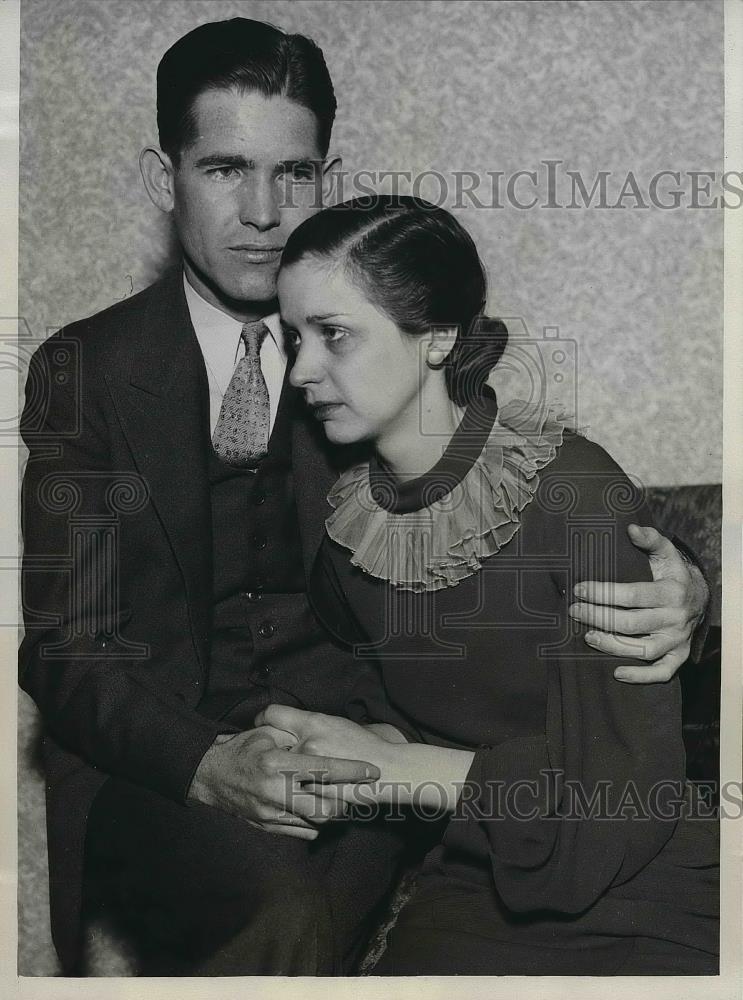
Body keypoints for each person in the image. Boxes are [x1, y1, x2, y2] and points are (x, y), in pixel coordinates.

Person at [19, 18, 710, 977]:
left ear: (324, 179)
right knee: (272, 911)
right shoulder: (86, 372)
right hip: (167, 761)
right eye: (225, 170)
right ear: (161, 178)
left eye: (293, 175)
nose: (263, 210)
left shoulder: (380, 354)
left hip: (366, 747)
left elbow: (535, 508)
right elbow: (67, 652)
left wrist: (688, 587)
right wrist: (209, 763)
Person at [258, 195, 719, 975]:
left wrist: (401, 770)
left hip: (644, 880)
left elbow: (619, 802)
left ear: (436, 338)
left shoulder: (572, 490)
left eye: (333, 334)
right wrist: (327, 754)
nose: (301, 370)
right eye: (294, 337)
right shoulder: (346, 531)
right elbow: (395, 723)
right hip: (475, 879)